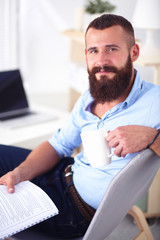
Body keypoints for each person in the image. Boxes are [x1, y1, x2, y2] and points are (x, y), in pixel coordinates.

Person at [0, 14, 160, 239]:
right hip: (64, 171)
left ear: (134, 53)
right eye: (94, 50)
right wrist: (20, 173)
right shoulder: (89, 97)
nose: (101, 61)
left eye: (112, 49)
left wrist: (152, 137)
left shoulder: (155, 100)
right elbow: (59, 145)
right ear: (86, 55)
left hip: (73, 210)